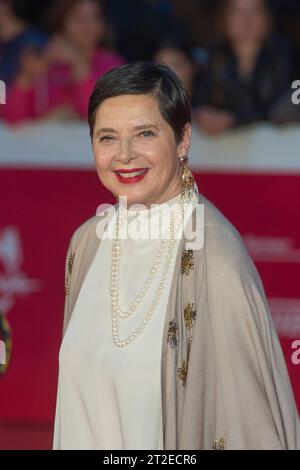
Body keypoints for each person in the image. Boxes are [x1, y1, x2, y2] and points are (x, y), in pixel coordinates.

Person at [52, 61, 300, 450]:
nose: (125, 155)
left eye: (145, 133)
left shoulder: (214, 254)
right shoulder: (88, 243)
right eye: (107, 137)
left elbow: (247, 423)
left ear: (183, 139)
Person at [0, 0, 125, 124]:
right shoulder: (47, 65)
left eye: (96, 17)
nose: (89, 26)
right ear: (61, 23)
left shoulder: (111, 64)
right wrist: (25, 77)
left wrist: (80, 67)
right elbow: (11, 117)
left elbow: (105, 116)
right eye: (79, 19)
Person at [192, 0, 299, 136]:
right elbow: (197, 101)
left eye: (254, 11)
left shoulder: (287, 56)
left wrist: (234, 120)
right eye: (237, 12)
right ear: (225, 18)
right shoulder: (212, 57)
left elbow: (283, 109)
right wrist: (202, 114)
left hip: (275, 146)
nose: (246, 19)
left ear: (267, 17)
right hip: (220, 149)